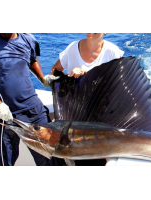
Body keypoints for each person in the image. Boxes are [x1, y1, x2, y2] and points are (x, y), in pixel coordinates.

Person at [0, 33, 65, 166]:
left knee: (52, 161)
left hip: (34, 111)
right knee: (2, 162)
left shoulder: (28, 39)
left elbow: (32, 59)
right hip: (4, 114)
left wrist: (42, 78)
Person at [50, 33, 124, 166]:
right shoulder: (73, 48)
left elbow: (121, 84)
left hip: (101, 114)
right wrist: (70, 76)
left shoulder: (112, 51)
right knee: (56, 148)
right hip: (75, 111)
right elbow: (54, 71)